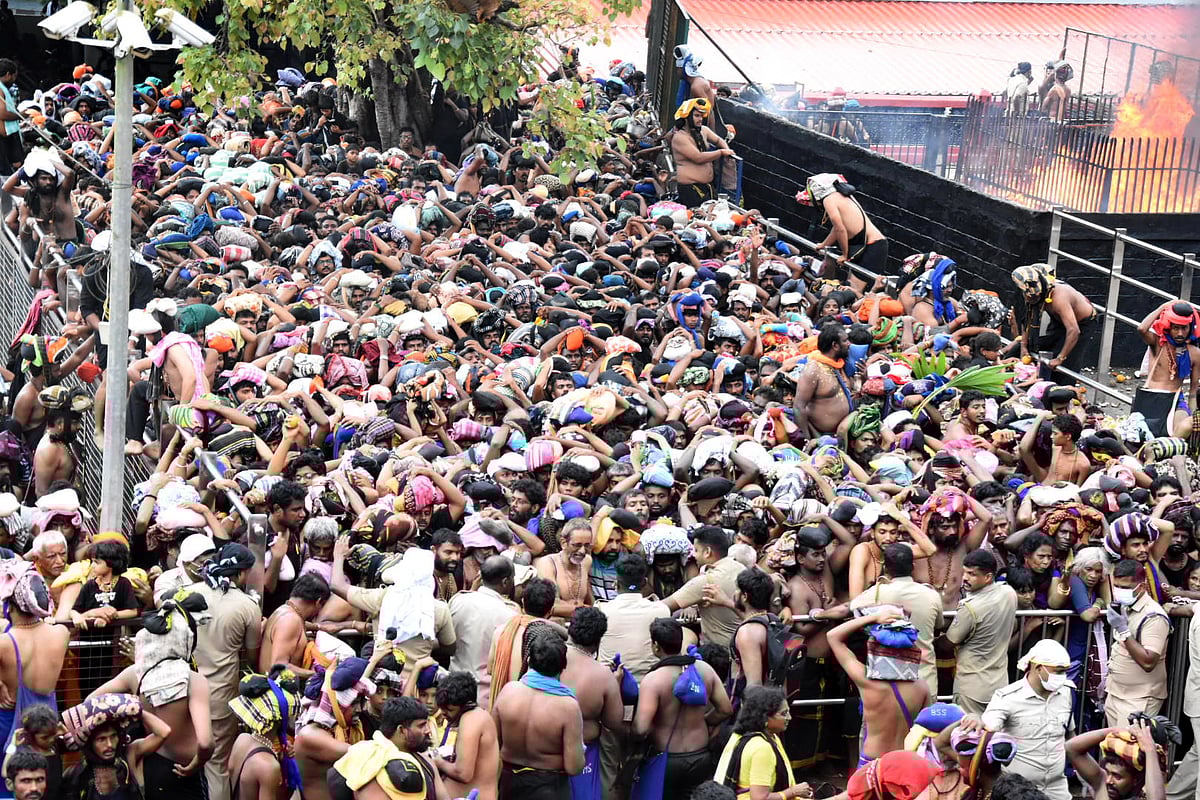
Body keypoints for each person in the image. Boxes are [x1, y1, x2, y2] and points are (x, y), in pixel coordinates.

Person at [86, 592, 213, 800]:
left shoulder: (134, 673)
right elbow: (206, 743)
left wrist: (128, 711)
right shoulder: (194, 680)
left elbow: (91, 701)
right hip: (185, 771)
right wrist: (196, 764)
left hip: (150, 765)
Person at [189, 543, 263, 800]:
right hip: (220, 697)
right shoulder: (248, 606)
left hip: (184, 690)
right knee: (217, 766)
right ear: (242, 573)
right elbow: (252, 655)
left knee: (180, 757)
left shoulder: (188, 594)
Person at [633, 618, 732, 800]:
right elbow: (725, 709)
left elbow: (641, 729)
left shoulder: (654, 680)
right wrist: (704, 721)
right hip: (701, 756)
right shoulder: (705, 669)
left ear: (656, 646)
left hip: (666, 760)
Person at [827, 608, 928, 769]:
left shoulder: (866, 681)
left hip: (872, 764)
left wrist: (873, 618)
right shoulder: (922, 686)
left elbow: (833, 636)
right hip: (904, 763)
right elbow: (926, 729)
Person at [492, 631, 585, 800]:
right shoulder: (568, 707)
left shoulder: (508, 692)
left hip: (509, 784)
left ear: (528, 661)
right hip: (550, 788)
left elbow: (492, 744)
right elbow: (574, 767)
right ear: (563, 666)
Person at [979, 639, 1073, 800]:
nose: (1062, 677)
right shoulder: (1007, 698)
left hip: (1058, 788)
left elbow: (1070, 735)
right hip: (1020, 792)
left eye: (1064, 671)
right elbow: (985, 738)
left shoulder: (1065, 693)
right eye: (1058, 671)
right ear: (1038, 668)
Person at [849, 543, 942, 700]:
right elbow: (939, 625)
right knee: (925, 724)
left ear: (885, 568)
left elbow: (854, 606)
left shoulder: (876, 593)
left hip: (891, 680)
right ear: (913, 566)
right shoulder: (931, 595)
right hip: (925, 678)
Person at [0, 563, 66, 756]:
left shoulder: (5, 643)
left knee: (10, 780)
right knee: (37, 778)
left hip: (9, 720)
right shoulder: (61, 634)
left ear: (10, 607)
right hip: (46, 726)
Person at [557, 608, 623, 800]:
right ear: (598, 640)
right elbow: (614, 721)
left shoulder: (548, 658)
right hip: (584, 754)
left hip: (545, 749)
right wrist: (616, 683)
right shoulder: (603, 676)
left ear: (571, 630)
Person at [328, 696, 449, 800]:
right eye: (421, 725)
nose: (428, 730)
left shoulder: (425, 761)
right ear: (401, 730)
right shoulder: (370, 764)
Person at [946, 548, 1018, 715]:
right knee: (993, 736)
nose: (965, 578)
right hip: (999, 684)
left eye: (972, 574)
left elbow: (948, 643)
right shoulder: (1009, 593)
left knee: (968, 737)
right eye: (964, 572)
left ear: (987, 577)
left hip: (971, 687)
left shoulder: (970, 607)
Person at [711, 685, 813, 800]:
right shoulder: (761, 748)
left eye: (788, 712)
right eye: (783, 714)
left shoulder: (740, 735)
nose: (789, 718)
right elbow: (760, 798)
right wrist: (793, 791)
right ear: (764, 718)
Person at [447, 555, 519, 710]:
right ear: (506, 581)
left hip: (452, 688)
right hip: (485, 695)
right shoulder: (510, 616)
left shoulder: (458, 601)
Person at [1104, 559, 1170, 726]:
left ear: (1141, 586)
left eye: (1125, 588)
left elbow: (1148, 662)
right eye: (1117, 586)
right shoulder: (1125, 605)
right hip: (1116, 693)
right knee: (1112, 750)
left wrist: (1123, 630)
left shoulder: (1154, 616)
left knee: (1130, 750)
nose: (1119, 592)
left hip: (1139, 699)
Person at [796, 172, 888, 287]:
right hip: (868, 246)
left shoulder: (828, 200)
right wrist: (824, 244)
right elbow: (837, 229)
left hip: (871, 247)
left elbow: (840, 229)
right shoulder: (841, 196)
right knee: (849, 286)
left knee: (854, 290)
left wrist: (844, 255)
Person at [663, 526, 746, 647]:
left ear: (707, 552)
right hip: (744, 645)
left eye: (696, 550)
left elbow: (662, 607)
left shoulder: (706, 582)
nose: (693, 555)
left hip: (720, 652)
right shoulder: (742, 568)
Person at [1012, 263, 1095, 380]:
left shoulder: (1058, 299)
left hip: (1080, 325)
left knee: (1062, 367)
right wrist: (1024, 346)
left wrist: (1060, 358)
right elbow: (1027, 319)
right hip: (1058, 322)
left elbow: (1074, 330)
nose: (1027, 298)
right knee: (1020, 349)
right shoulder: (1031, 294)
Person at [1134, 300, 1200, 438]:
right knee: (1141, 438)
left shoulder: (1194, 353)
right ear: (1169, 327)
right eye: (1176, 328)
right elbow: (1141, 329)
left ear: (1191, 327)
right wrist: (1162, 308)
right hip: (1151, 397)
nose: (1180, 333)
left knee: (1180, 434)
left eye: (1184, 328)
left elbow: (1193, 389)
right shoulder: (1158, 344)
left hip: (1175, 399)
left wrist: (1194, 420)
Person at [432, 672, 500, 800]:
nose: (444, 714)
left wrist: (437, 761)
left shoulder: (471, 719)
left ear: (466, 705)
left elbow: (463, 773)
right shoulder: (477, 716)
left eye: (450, 710)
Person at [1067, 718, 1166, 800]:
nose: (1108, 781)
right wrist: (1117, 731)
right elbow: (1071, 748)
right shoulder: (1102, 786)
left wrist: (1150, 750)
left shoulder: (1143, 797)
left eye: (1117, 776)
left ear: (1136, 780)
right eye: (1107, 772)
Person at [259, 573, 331, 679]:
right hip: (275, 690)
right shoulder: (290, 620)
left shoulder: (285, 610)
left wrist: (318, 627)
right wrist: (319, 674)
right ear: (318, 602)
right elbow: (278, 668)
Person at [668, 98, 734, 208]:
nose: (700, 119)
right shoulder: (680, 137)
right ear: (686, 117)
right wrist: (721, 152)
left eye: (701, 116)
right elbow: (698, 157)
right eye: (696, 116)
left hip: (707, 186)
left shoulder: (704, 130)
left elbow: (718, 140)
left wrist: (727, 151)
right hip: (691, 188)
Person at [795, 323, 853, 437]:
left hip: (845, 432)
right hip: (821, 436)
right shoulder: (813, 369)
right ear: (835, 346)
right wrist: (807, 439)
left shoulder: (842, 364)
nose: (849, 344)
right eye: (845, 341)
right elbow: (798, 407)